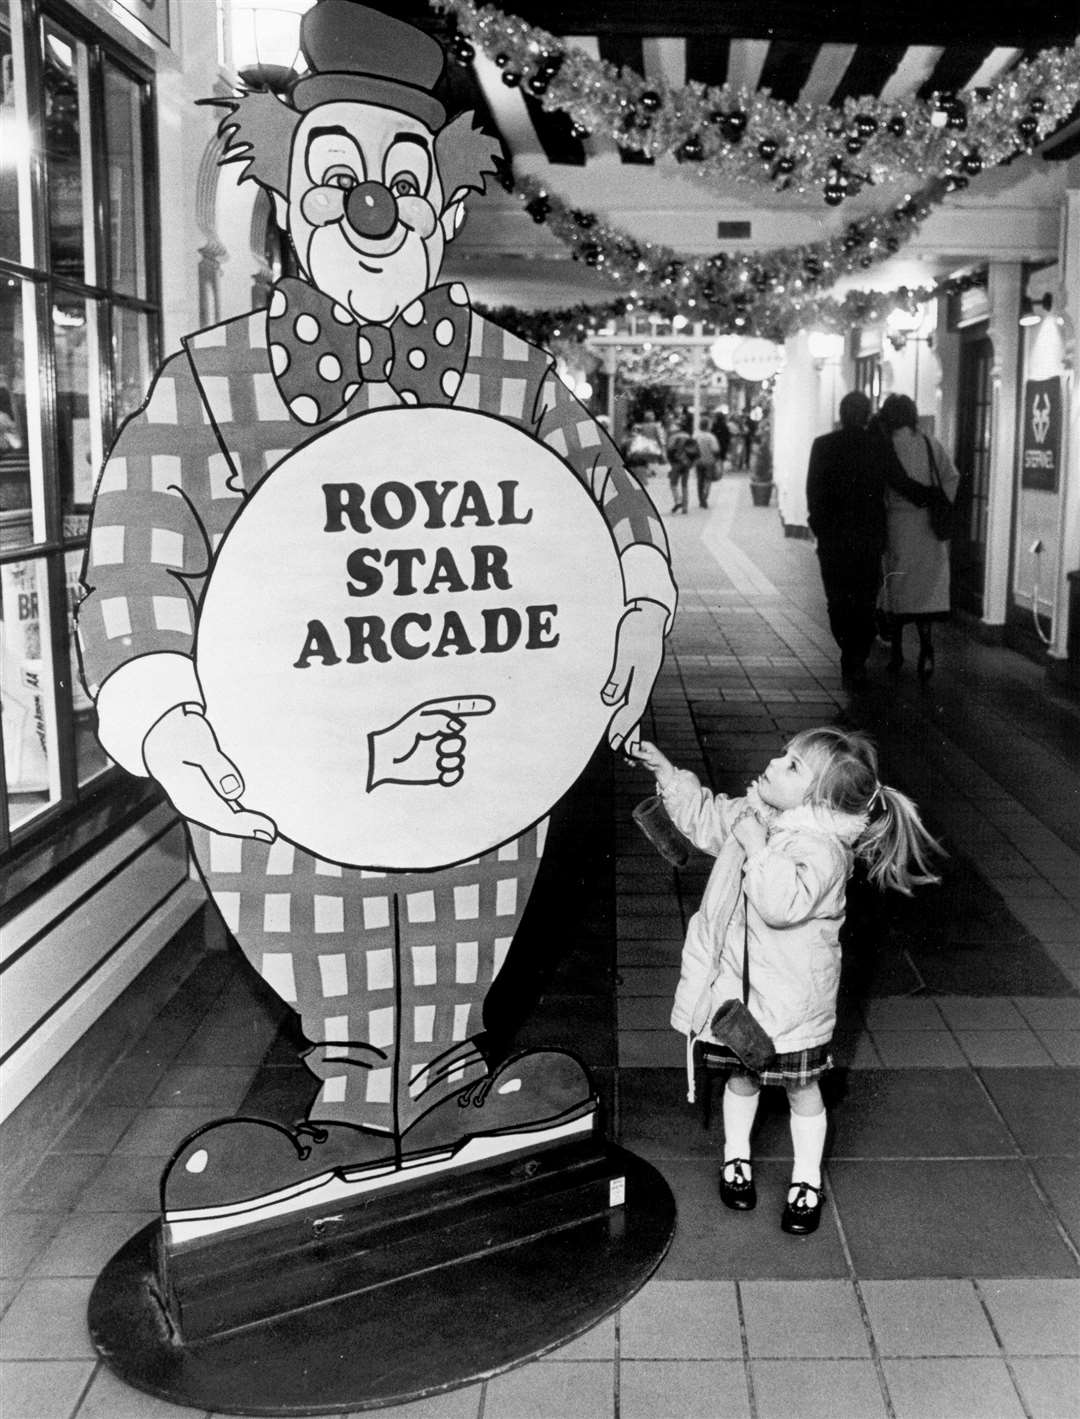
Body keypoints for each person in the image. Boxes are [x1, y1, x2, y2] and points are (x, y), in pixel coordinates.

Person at [77, 0, 675, 1224]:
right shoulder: (214, 381)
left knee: (467, 878)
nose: (371, 209)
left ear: (445, 209)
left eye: (401, 183)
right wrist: (165, 707)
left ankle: (450, 1077)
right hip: (282, 760)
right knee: (318, 900)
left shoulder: (512, 376)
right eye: (340, 178)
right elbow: (137, 558)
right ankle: (350, 1105)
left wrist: (636, 610)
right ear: (295, 196)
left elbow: (608, 506)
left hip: (481, 752)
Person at [632, 726, 940, 1235]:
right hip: (742, 995)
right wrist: (669, 776)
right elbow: (709, 819)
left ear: (815, 799)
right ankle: (736, 1158)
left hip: (793, 1006)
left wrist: (757, 846)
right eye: (783, 755)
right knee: (740, 1076)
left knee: (803, 1090)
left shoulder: (822, 850)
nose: (774, 764)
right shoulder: (759, 816)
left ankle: (805, 1179)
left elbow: (779, 904)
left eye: (792, 765)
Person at [805, 390, 887, 688]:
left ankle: (848, 651)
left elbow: (813, 490)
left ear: (841, 414)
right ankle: (857, 657)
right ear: (866, 415)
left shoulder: (824, 445)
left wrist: (819, 526)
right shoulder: (878, 446)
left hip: (834, 539)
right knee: (865, 598)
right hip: (868, 537)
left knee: (838, 598)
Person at [877, 393, 960, 677]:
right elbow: (952, 476)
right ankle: (927, 649)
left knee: (899, 589)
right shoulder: (929, 443)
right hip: (928, 527)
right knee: (927, 594)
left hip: (899, 524)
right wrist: (939, 502)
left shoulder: (887, 446)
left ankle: (898, 654)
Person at [665, 418, 699, 513]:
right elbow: (694, 451)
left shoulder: (672, 437)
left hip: (676, 463)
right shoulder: (688, 436)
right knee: (684, 484)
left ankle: (678, 500)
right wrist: (691, 464)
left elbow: (669, 451)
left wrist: (671, 464)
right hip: (686, 463)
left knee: (673, 483)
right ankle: (685, 507)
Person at [694, 418, 721, 508]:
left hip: (698, 461)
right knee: (708, 479)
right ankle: (705, 497)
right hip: (709, 461)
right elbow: (715, 449)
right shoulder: (711, 437)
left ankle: (700, 499)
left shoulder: (695, 436)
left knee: (699, 480)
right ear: (708, 426)